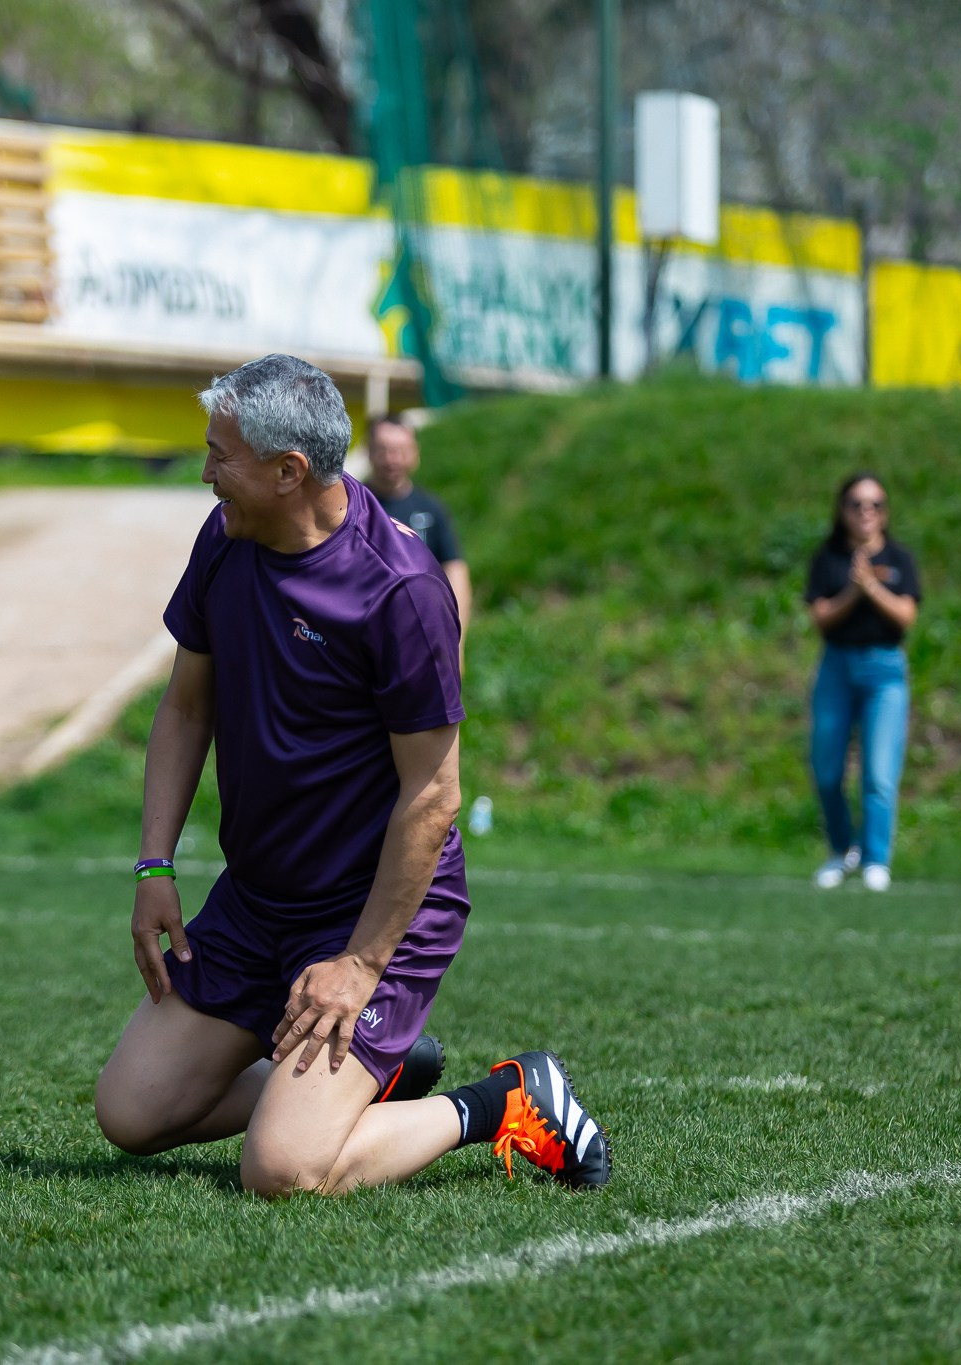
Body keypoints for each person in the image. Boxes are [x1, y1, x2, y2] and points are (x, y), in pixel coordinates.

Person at [91, 354, 610, 1199]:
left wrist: (361, 964)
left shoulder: (400, 589)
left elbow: (434, 795)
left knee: (283, 1169)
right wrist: (154, 864)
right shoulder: (226, 540)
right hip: (260, 899)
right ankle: (373, 1081)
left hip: (375, 912)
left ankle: (506, 1099)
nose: (206, 472)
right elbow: (187, 709)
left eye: (221, 455)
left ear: (289, 471)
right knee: (132, 1112)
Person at [803, 473, 920, 892]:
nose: (866, 512)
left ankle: (876, 859)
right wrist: (852, 591)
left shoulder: (899, 558)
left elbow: (906, 616)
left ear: (885, 512)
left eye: (875, 504)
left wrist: (871, 586)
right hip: (837, 666)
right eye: (856, 504)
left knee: (879, 772)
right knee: (827, 768)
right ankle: (841, 850)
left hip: (884, 671)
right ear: (842, 510)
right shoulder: (828, 558)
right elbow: (820, 618)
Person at [364, 414, 472, 665]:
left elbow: (455, 569)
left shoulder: (431, 508)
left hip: (423, 641)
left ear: (415, 452)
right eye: (384, 451)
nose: (393, 460)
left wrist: (457, 640)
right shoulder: (351, 505)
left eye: (401, 450)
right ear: (369, 452)